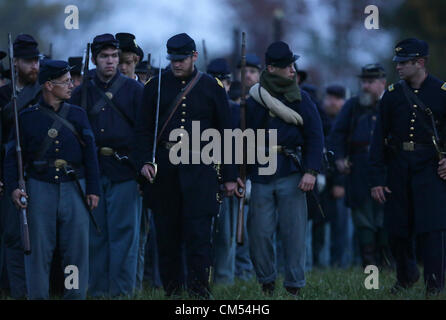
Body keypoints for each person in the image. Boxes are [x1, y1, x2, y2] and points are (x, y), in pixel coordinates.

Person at [134, 32, 238, 299]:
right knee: (167, 236)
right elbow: (144, 130)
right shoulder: (155, 87)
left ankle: (200, 291)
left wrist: (229, 176)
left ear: (194, 57)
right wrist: (145, 161)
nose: (176, 64)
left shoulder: (212, 87)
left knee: (199, 235)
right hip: (165, 170)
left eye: (182, 59)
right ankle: (173, 291)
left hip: (201, 168)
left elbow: (226, 133)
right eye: (173, 59)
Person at [3, 59, 100, 299]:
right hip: (39, 187)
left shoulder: (78, 115)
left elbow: (90, 154)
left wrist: (93, 189)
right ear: (48, 85)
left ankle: (74, 296)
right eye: (65, 82)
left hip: (75, 186)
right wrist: (15, 188)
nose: (70, 86)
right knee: (38, 252)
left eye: (70, 81)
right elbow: (12, 157)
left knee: (75, 251)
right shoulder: (26, 117)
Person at [246, 41, 324, 296]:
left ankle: (294, 286)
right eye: (287, 66)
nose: (293, 70)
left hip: (292, 171)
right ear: (271, 68)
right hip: (260, 171)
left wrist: (311, 171)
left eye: (292, 64)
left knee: (294, 234)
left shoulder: (302, 99)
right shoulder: (255, 99)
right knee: (259, 233)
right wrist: (240, 175)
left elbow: (315, 136)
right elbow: (242, 137)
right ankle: (266, 281)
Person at [369, 38, 446, 296]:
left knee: (431, 228)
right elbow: (378, 138)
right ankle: (406, 275)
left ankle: (435, 283)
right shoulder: (391, 95)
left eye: (404, 62)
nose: (399, 67)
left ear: (420, 63)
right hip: (398, 167)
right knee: (397, 227)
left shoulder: (441, 92)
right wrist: (377, 178)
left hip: (431, 168)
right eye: (398, 62)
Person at [70, 33, 143, 298]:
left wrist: (142, 171)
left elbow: (144, 134)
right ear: (94, 59)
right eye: (104, 56)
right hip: (92, 171)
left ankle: (122, 294)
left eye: (114, 56)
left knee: (125, 237)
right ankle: (98, 292)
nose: (111, 61)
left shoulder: (135, 90)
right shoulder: (80, 92)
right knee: (95, 236)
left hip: (124, 170)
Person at [330, 64, 391, 269]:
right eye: (363, 82)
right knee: (363, 216)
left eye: (370, 82)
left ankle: (386, 262)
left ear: (382, 83)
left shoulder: (392, 103)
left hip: (387, 167)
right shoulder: (353, 105)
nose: (365, 86)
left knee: (386, 214)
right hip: (359, 167)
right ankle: (369, 264)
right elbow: (337, 134)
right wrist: (339, 159)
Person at [0, 34, 42, 299]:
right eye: (28, 61)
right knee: (14, 237)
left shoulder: (44, 92)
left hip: (40, 173)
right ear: (15, 63)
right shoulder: (3, 95)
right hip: (9, 172)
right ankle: (19, 293)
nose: (34, 67)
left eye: (36, 61)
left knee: (41, 239)